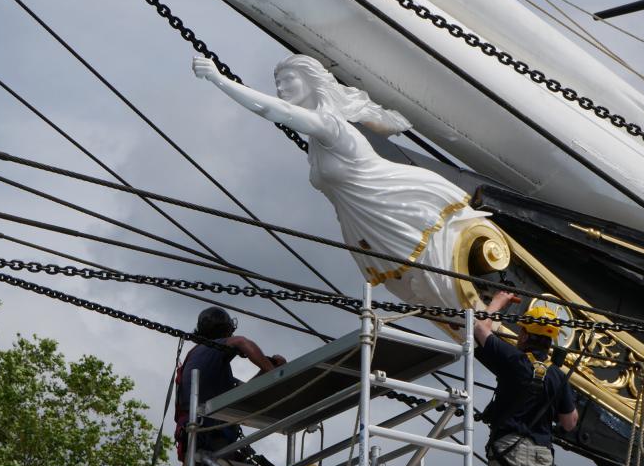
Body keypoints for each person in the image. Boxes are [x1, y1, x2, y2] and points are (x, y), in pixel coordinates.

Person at [192, 54, 496, 312]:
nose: (281, 88)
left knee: (437, 275)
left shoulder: (328, 123)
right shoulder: (315, 140)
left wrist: (220, 79)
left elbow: (276, 111)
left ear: (310, 82)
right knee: (424, 289)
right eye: (278, 83)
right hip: (366, 219)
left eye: (288, 80)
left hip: (394, 200)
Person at [474, 291, 578, 466]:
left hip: (508, 449)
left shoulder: (513, 359)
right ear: (551, 342)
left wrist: (497, 302)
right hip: (542, 456)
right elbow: (569, 423)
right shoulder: (558, 376)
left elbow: (480, 328)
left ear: (524, 334)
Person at [175, 306, 286, 466]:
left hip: (204, 440)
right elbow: (242, 342)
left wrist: (267, 369)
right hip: (210, 436)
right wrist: (273, 371)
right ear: (228, 330)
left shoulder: (202, 360)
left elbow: (240, 395)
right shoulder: (214, 348)